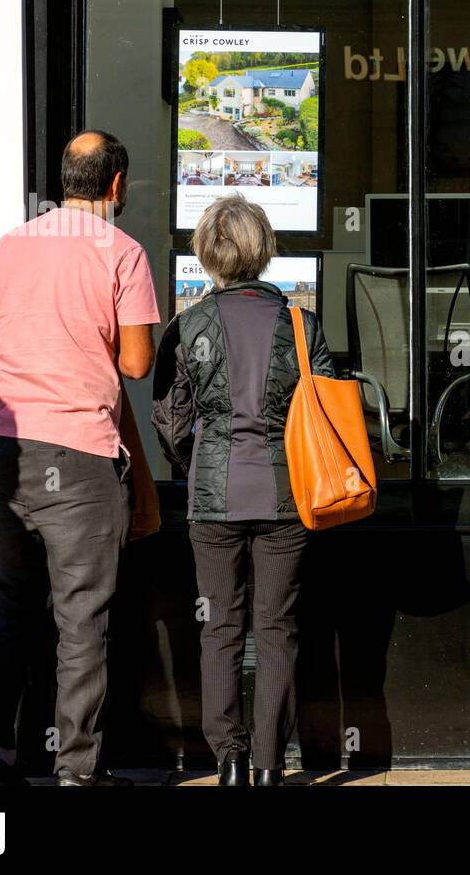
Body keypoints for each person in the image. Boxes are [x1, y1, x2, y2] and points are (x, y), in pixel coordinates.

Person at [0, 130, 160, 786]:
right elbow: (135, 362)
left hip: (7, 447)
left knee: (13, 604)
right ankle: (77, 770)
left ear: (65, 180)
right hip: (80, 453)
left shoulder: (10, 244)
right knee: (82, 620)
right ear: (115, 185)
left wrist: (10, 408)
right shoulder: (124, 253)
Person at [152, 193, 334, 786]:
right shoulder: (303, 325)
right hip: (288, 497)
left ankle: (226, 759)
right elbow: (326, 413)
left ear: (207, 252)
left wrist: (196, 461)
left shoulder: (187, 326)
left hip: (213, 496)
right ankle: (267, 766)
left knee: (220, 627)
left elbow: (171, 420)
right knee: (278, 628)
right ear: (263, 249)